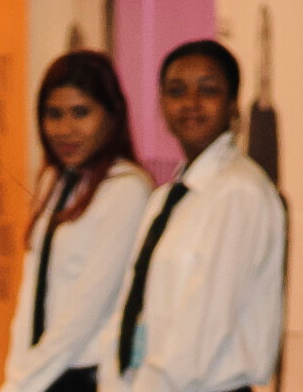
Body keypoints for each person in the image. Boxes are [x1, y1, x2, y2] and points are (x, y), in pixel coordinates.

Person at [99, 39, 285, 392]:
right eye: (176, 91)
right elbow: (132, 310)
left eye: (208, 90)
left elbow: (200, 334)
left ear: (233, 104)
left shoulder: (239, 193)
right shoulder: (168, 197)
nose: (191, 104)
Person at [0, 50, 153, 392]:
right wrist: (18, 370)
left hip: (86, 374)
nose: (65, 129)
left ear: (112, 115)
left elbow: (88, 307)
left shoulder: (127, 189)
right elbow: (31, 294)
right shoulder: (55, 179)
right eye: (54, 114)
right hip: (41, 374)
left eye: (81, 113)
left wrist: (23, 382)